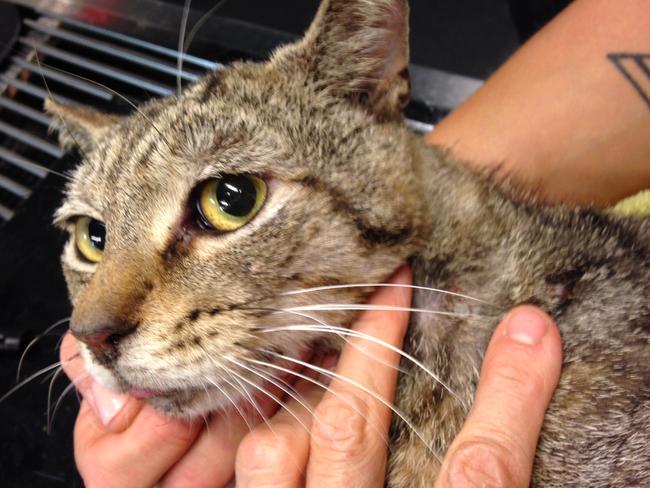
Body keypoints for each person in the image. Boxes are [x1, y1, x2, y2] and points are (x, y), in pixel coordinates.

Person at [60, 0, 650, 486]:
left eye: (228, 198)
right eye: (94, 237)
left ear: (363, 101)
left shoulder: (595, 375)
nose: (97, 319)